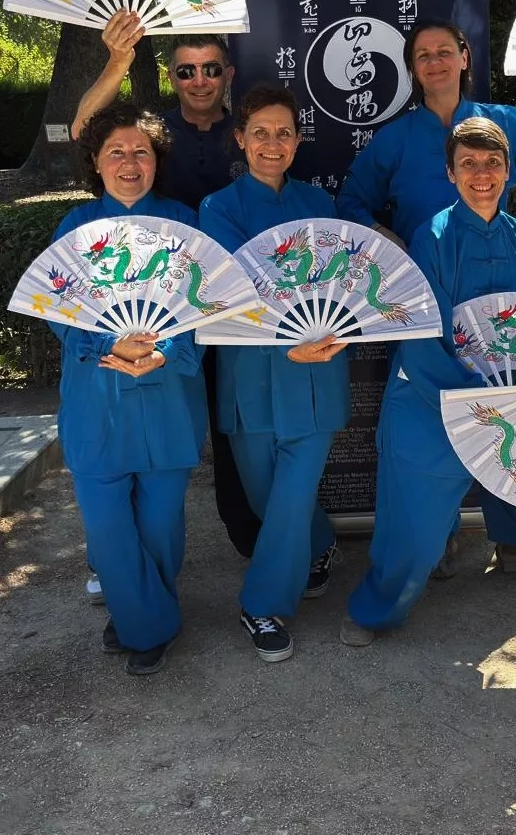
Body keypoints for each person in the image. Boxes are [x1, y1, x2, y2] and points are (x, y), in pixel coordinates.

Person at [341, 118, 516, 658]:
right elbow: (421, 330)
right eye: (468, 163)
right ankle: (379, 607)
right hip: (432, 396)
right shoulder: (432, 237)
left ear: (509, 171)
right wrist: (474, 394)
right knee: (414, 532)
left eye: (492, 163)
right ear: (450, 173)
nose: (482, 174)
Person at [336, 18, 516, 570]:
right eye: (422, 54)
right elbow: (351, 203)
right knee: (435, 422)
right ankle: (433, 536)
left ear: (465, 57)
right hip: (424, 292)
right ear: (412, 68)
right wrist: (390, 241)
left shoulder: (499, 123)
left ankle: (513, 533)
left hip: (501, 283)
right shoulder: (396, 137)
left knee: (512, 406)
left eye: (445, 51)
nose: (434, 61)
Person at [73, 15, 334, 592]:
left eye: (210, 68)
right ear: (172, 77)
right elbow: (88, 130)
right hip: (163, 299)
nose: (199, 79)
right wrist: (117, 61)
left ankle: (265, 541)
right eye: (186, 70)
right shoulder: (153, 131)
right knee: (215, 426)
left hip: (232, 311)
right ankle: (118, 564)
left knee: (245, 431)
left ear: (227, 75)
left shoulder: (276, 168)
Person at [51, 103, 208, 676]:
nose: (129, 161)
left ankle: (139, 612)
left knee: (162, 523)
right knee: (108, 525)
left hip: (167, 395)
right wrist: (103, 347)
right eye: (115, 151)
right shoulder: (73, 228)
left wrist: (168, 350)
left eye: (141, 150)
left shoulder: (186, 223)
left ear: (156, 161)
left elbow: (209, 306)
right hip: (98, 399)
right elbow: (56, 308)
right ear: (95, 162)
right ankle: (148, 624)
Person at [199, 85, 349, 663]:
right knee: (266, 498)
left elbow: (338, 286)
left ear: (297, 140)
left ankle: (261, 606)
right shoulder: (218, 208)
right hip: (249, 379)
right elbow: (244, 287)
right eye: (260, 132)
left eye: (283, 132)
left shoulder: (321, 204)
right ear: (240, 139)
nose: (272, 143)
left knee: (288, 497)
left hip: (314, 375)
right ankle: (322, 543)